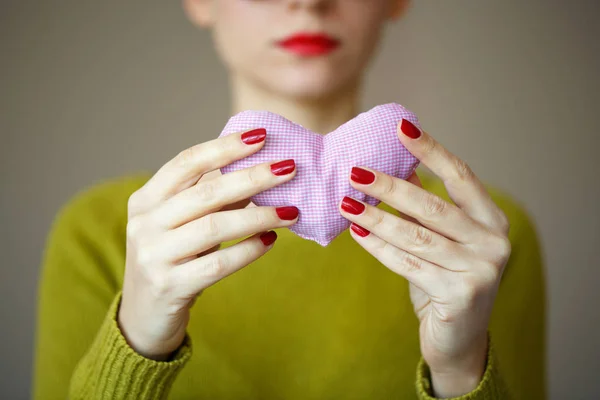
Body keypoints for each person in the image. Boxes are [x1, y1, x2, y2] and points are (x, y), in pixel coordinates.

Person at [32, 0, 546, 399]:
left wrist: (459, 370)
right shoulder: (101, 231)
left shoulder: (483, 243)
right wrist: (138, 341)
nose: (307, 2)